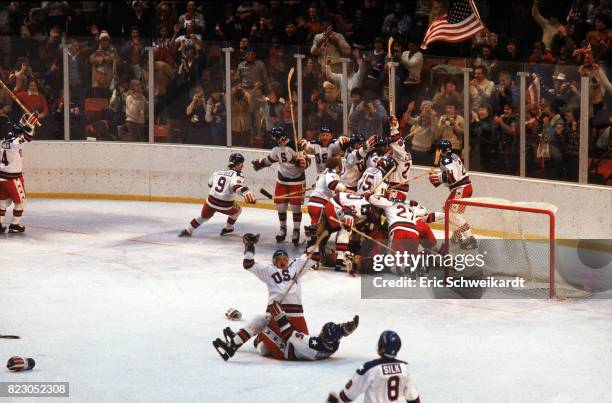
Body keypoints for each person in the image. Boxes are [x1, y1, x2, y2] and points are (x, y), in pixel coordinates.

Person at [214, 300, 359, 362]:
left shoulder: (310, 344)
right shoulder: (332, 344)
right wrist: (348, 327)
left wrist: (279, 315)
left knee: (262, 320)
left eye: (322, 334)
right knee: (264, 347)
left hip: (286, 350)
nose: (320, 334)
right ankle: (246, 337)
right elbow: (339, 333)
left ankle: (233, 346)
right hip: (292, 350)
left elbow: (288, 333)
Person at [252, 126, 309, 245]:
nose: (277, 140)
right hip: (282, 180)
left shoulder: (295, 146)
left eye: (278, 137)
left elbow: (307, 161)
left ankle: (296, 230)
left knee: (295, 207)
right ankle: (283, 228)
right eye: (275, 138)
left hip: (297, 180)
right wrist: (260, 163)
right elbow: (270, 159)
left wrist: (303, 163)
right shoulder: (275, 148)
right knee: (281, 207)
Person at [327, 330, 420, 403]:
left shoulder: (369, 368)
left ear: (381, 346)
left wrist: (335, 400)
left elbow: (347, 396)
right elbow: (413, 398)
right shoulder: (404, 367)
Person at [179, 153, 256, 237]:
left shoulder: (218, 172)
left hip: (211, 201)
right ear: (238, 164)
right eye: (242, 164)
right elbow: (236, 187)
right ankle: (228, 227)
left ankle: (188, 230)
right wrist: (246, 193)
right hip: (225, 205)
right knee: (238, 211)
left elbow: (210, 184)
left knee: (203, 217)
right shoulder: (238, 174)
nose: (242, 166)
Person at [428, 140, 477, 249]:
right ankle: (457, 236)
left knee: (453, 214)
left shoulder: (445, 160)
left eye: (437, 149)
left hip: (461, 188)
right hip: (462, 187)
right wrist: (435, 170)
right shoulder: (454, 155)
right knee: (447, 210)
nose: (436, 152)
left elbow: (452, 177)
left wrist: (436, 177)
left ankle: (470, 239)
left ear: (441, 150)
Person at [0, 112, 39, 233]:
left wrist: (24, 120)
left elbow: (16, 129)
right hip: (13, 178)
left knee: (3, 201)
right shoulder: (15, 143)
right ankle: (15, 225)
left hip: (2, 177)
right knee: (21, 202)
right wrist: (31, 126)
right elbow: (27, 137)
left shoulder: (5, 140)